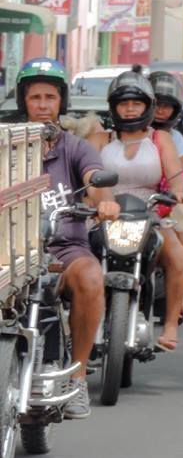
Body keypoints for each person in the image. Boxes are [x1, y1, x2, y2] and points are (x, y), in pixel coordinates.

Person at [16, 58, 120, 419]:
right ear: (24, 101)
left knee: (91, 277)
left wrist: (104, 202)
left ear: (62, 101)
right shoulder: (8, 144)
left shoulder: (75, 147)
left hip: (65, 249)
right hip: (11, 252)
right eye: (35, 98)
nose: (43, 105)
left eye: (50, 97)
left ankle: (76, 378)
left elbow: (95, 179)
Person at [100, 69, 183, 352]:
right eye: (123, 103)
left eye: (136, 103)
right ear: (113, 107)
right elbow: (87, 176)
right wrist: (99, 200)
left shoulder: (160, 138)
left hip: (148, 214)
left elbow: (175, 173)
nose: (130, 109)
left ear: (147, 106)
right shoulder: (100, 138)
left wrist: (179, 191)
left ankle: (170, 324)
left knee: (178, 258)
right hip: (105, 215)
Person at [149, 70, 183, 332]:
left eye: (166, 105)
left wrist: (181, 191)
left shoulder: (174, 139)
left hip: (164, 204)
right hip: (127, 206)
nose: (160, 110)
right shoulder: (114, 134)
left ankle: (181, 298)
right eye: (156, 103)